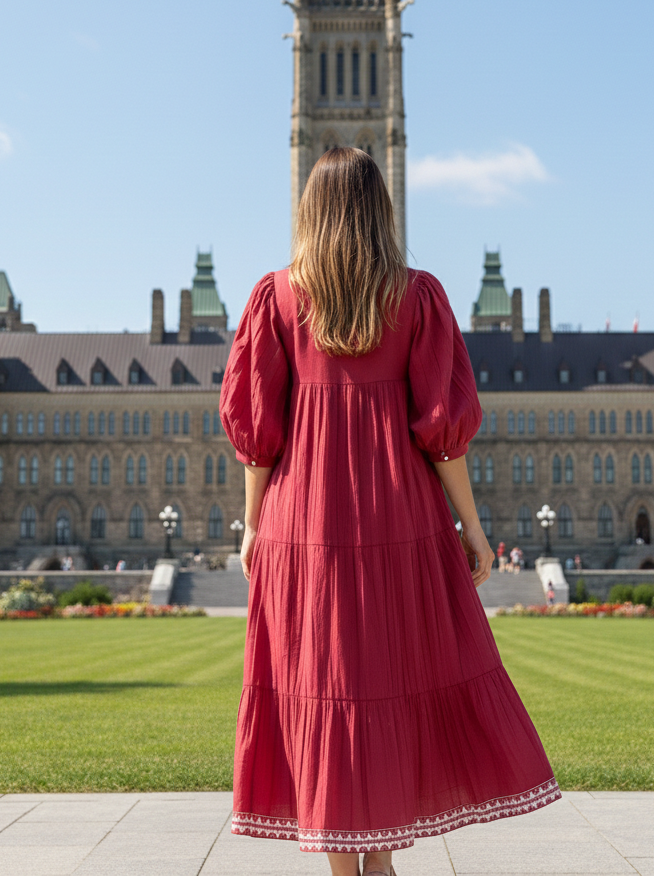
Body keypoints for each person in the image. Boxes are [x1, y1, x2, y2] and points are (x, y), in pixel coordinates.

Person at [220, 149, 560, 876]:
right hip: (396, 522)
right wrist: (472, 528)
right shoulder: (417, 298)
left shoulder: (273, 299)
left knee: (329, 692)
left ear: (310, 211)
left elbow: (259, 436)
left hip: (300, 525)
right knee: (383, 691)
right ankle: (377, 867)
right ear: (381, 210)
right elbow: (442, 432)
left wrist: (252, 527)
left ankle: (363, 870)